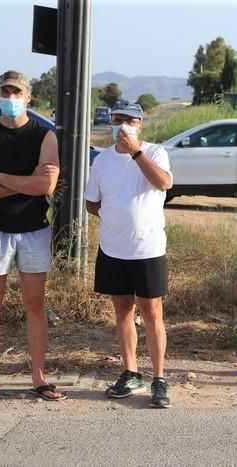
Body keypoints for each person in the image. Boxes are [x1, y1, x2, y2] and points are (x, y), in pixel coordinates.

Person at [0, 70, 63, 406]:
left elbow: (45, 186)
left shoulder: (44, 136)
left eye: (17, 92)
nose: (11, 98)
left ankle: (39, 377)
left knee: (35, 306)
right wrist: (24, 181)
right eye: (6, 92)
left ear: (28, 97)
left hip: (34, 230)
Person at [85, 103, 174, 408]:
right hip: (113, 247)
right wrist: (115, 217)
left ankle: (160, 379)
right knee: (122, 311)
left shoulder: (155, 152)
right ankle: (130, 371)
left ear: (140, 126)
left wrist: (136, 153)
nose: (121, 126)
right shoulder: (102, 160)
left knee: (151, 312)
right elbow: (91, 204)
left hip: (147, 248)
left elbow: (163, 183)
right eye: (116, 120)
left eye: (128, 121)